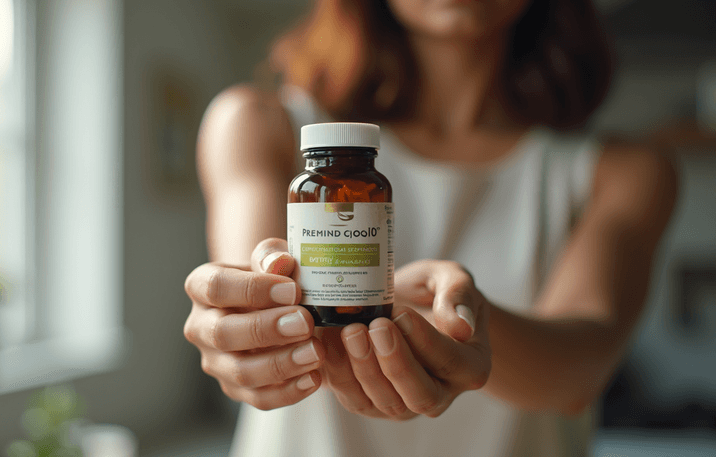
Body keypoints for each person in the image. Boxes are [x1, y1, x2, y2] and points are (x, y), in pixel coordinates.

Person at [183, 0, 677, 455]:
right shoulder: (257, 124)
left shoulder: (624, 170)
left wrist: (462, 322)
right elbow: (256, 302)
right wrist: (241, 331)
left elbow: (580, 371)